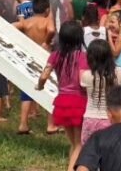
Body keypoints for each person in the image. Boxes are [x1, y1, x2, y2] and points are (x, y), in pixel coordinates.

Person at [38, 21, 89, 171]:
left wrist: (39, 86)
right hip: (79, 101)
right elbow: (82, 79)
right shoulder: (83, 57)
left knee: (73, 143)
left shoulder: (55, 56)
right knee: (80, 144)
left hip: (61, 102)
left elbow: (44, 75)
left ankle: (71, 165)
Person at [16, 0, 57, 134]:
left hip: (30, 57)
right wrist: (46, 41)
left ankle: (23, 124)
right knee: (51, 88)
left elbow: (15, 25)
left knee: (27, 90)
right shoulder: (47, 21)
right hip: (44, 58)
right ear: (47, 9)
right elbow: (51, 30)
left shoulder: (27, 22)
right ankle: (51, 125)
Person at [80, 40, 121, 146]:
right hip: (113, 118)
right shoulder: (120, 72)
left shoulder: (86, 75)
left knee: (89, 154)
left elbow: (84, 90)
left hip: (91, 119)